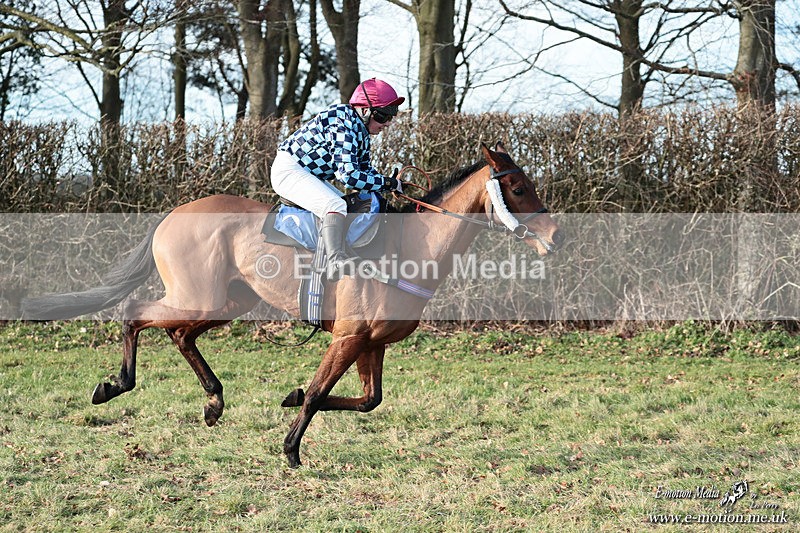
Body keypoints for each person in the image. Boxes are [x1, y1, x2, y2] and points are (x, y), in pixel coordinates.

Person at [271, 78, 404, 278]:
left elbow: (365, 171)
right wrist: (385, 183)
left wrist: (389, 183)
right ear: (365, 110)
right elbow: (349, 176)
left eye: (391, 117)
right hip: (289, 170)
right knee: (336, 206)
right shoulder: (343, 123)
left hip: (307, 174)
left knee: (345, 206)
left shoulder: (360, 130)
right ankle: (335, 260)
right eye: (384, 116)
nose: (387, 123)